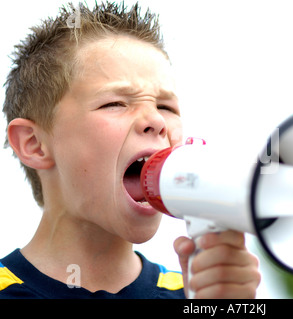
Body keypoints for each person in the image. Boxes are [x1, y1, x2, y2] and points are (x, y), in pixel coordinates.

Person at [0, 1, 260, 299]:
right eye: (116, 103)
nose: (156, 120)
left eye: (165, 106)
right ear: (33, 144)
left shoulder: (192, 294)